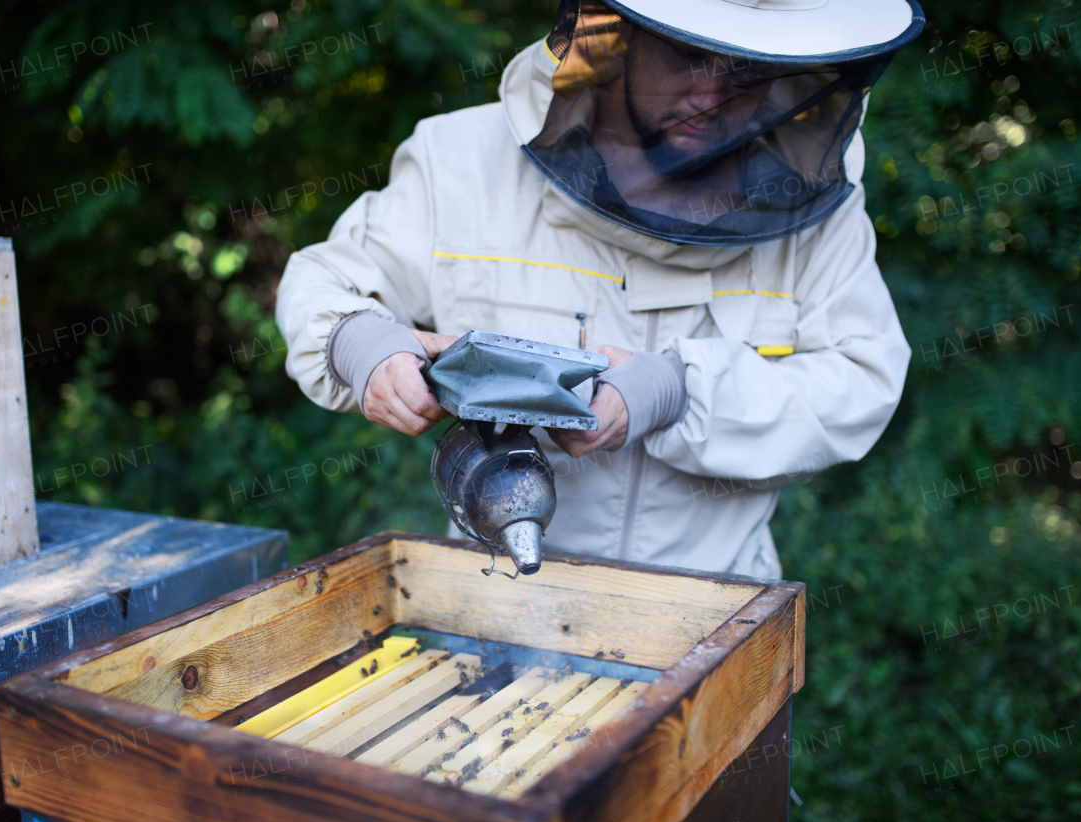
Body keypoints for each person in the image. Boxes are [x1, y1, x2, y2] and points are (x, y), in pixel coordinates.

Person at [276, 0, 924, 578]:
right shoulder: (462, 160)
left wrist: (677, 390)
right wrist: (364, 346)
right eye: (690, 57)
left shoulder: (810, 209)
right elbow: (324, 279)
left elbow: (861, 380)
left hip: (713, 609)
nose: (712, 95)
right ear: (625, 36)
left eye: (748, 71)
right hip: (492, 597)